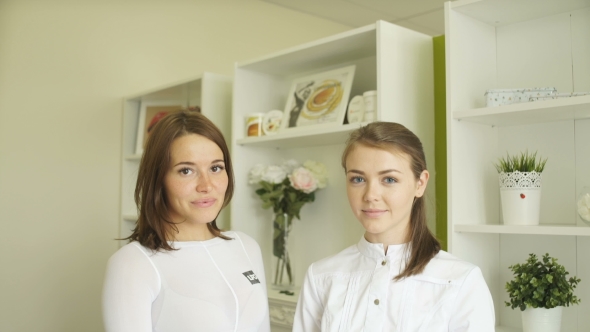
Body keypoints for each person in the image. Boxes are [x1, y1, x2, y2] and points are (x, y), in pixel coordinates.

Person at [293, 122, 495, 331]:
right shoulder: (321, 277)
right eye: (358, 179)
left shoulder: (461, 281)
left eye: (389, 179)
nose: (370, 195)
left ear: (420, 183)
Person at [102, 110, 270, 332]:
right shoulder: (133, 263)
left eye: (216, 168)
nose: (206, 185)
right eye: (186, 171)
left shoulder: (246, 246)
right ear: (158, 179)